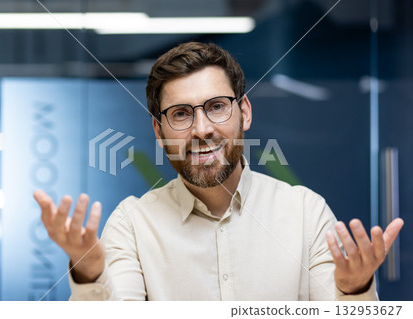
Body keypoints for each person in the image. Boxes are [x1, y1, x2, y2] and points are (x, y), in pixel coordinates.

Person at [34, 42, 403, 301]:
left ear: (244, 112)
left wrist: (354, 290)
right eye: (181, 114)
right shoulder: (132, 224)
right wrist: (92, 273)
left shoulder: (305, 213)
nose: (201, 129)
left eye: (216, 107)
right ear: (158, 131)